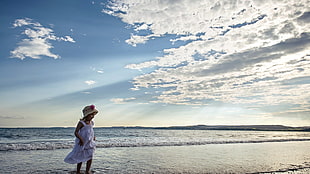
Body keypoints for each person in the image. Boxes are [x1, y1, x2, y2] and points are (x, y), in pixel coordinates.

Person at [64, 105, 98, 174]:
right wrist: (81, 139)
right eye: (91, 115)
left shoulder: (91, 123)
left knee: (90, 156)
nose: (92, 117)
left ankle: (87, 170)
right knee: (80, 157)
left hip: (89, 142)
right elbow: (76, 132)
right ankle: (78, 171)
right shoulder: (81, 123)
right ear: (87, 115)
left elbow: (91, 131)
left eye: (93, 115)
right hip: (82, 142)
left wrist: (93, 137)